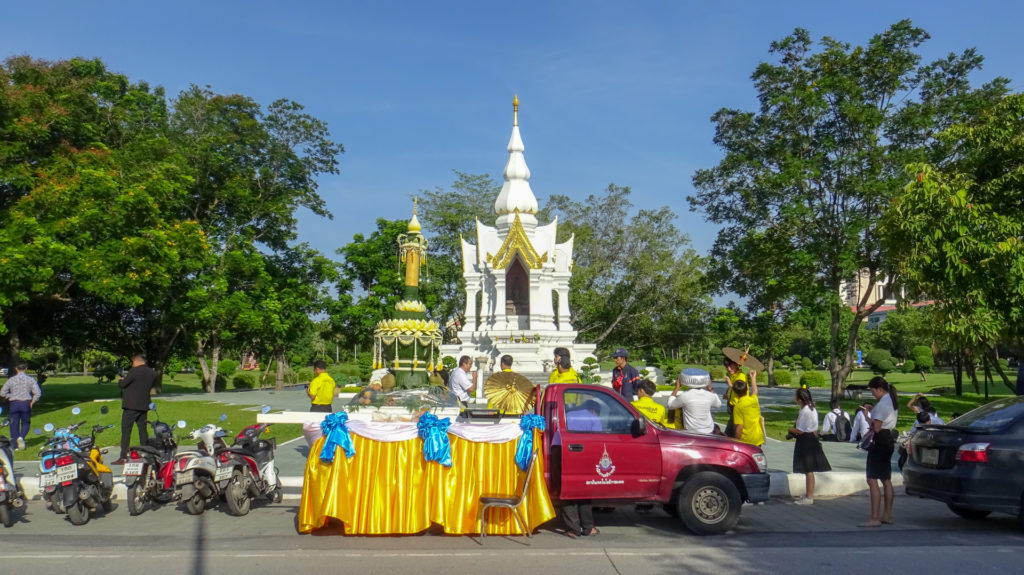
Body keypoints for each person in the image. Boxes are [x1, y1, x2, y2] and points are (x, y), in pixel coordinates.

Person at [861, 376, 899, 527]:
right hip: (888, 438)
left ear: (879, 389)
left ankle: (874, 517)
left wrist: (867, 417)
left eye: (873, 391)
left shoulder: (883, 404)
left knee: (872, 479)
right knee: (886, 478)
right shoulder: (890, 400)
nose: (873, 394)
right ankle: (887, 515)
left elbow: (876, 427)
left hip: (880, 439)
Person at [561, 400, 601, 539]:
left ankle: (573, 529)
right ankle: (588, 528)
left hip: (563, 453)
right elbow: (599, 441)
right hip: (584, 456)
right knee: (584, 493)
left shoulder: (569, 414)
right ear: (593, 410)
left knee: (567, 492)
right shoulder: (594, 418)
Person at [789, 388, 831, 505]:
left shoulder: (805, 411)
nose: (795, 398)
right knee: (809, 469)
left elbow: (800, 430)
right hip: (811, 438)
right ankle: (808, 494)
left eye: (796, 396)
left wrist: (790, 429)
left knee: (808, 470)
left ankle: (809, 497)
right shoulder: (812, 409)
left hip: (806, 440)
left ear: (800, 399)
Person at [114, 354, 155, 464]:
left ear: (136, 362)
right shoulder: (151, 372)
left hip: (131, 405)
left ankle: (123, 456)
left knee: (126, 431)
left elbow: (123, 384)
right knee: (143, 430)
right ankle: (146, 453)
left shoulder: (134, 371)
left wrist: (120, 380)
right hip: (144, 404)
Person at [666, 368, 722, 434]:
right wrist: (710, 389)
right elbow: (718, 404)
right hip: (708, 430)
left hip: (692, 432)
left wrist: (677, 387)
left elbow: (670, 405)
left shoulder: (685, 396)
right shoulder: (709, 395)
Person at [1, 362, 41, 451]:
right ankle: (21, 437)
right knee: (26, 423)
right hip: (25, 403)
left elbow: (3, 393)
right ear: (26, 369)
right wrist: (32, 402)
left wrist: (10, 396)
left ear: (16, 369)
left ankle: (15, 445)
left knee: (13, 424)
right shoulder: (30, 379)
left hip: (14, 403)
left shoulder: (11, 380)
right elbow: (37, 393)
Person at [723, 357, 757, 437]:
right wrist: (729, 397)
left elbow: (739, 390)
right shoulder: (734, 375)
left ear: (736, 364)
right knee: (730, 433)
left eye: (731, 366)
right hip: (733, 407)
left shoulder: (741, 376)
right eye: (726, 366)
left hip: (738, 408)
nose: (728, 369)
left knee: (732, 433)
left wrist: (730, 384)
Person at [731, 379, 764, 446]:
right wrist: (753, 378)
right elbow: (755, 391)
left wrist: (736, 442)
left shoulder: (738, 407)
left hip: (746, 441)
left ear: (735, 392)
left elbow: (739, 426)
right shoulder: (754, 400)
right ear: (747, 389)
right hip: (758, 438)